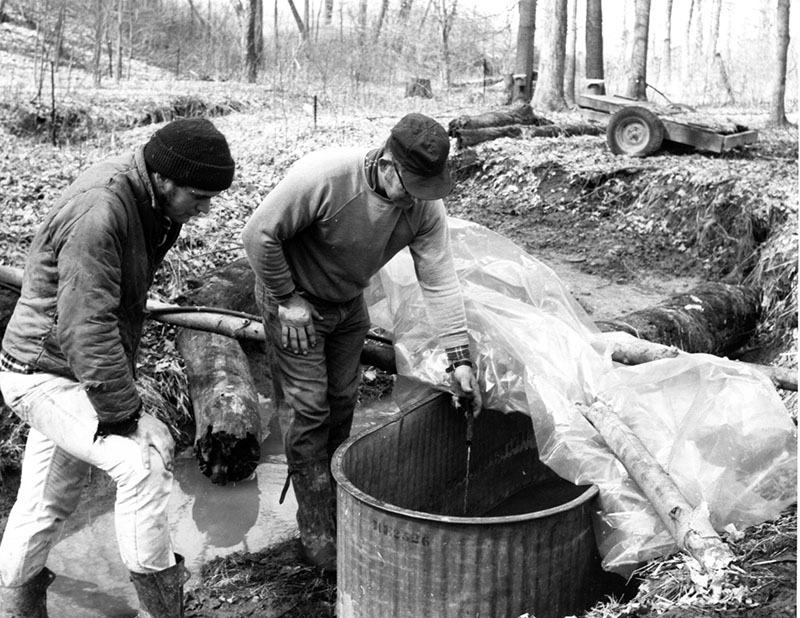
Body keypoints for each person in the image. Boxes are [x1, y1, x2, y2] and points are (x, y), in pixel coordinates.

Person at [0, 117, 235, 618]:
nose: (206, 208)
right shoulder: (102, 210)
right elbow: (86, 326)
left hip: (72, 372)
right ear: (167, 178)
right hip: (41, 372)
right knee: (141, 465)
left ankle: (18, 607)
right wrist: (129, 416)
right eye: (199, 195)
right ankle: (162, 609)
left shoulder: (147, 199)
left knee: (47, 501)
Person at [241, 112, 481, 572]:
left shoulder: (425, 206)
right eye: (411, 188)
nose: (416, 201)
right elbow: (257, 234)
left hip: (348, 303)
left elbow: (440, 280)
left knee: (342, 403)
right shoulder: (326, 176)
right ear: (387, 164)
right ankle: (316, 535)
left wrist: (459, 358)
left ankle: (337, 508)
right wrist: (287, 299)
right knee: (309, 409)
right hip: (294, 299)